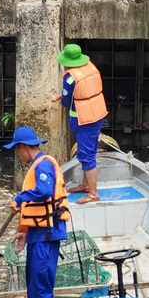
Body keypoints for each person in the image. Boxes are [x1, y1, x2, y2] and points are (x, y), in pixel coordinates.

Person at [6, 126, 69, 298]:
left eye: (17, 150)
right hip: (38, 234)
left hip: (47, 236)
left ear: (23, 147)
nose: (17, 155)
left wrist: (19, 198)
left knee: (41, 290)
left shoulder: (43, 165)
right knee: (34, 290)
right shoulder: (36, 166)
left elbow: (43, 192)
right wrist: (26, 233)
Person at [51, 43, 108, 204]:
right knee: (88, 151)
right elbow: (82, 90)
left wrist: (62, 97)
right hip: (97, 112)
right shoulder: (90, 67)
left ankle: (93, 193)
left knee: (87, 155)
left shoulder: (70, 78)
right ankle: (85, 185)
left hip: (85, 119)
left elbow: (67, 101)